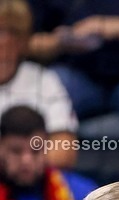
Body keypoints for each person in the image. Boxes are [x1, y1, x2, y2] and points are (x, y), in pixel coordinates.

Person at [29, 0, 119, 184]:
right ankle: (35, 197)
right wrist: (61, 41)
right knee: (44, 89)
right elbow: (27, 43)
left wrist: (111, 27)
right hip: (77, 72)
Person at [0, 0, 77, 168]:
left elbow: (65, 150)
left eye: (12, 32)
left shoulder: (43, 79)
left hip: (29, 183)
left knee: (83, 187)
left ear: (23, 40)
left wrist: (19, 162)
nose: (4, 40)